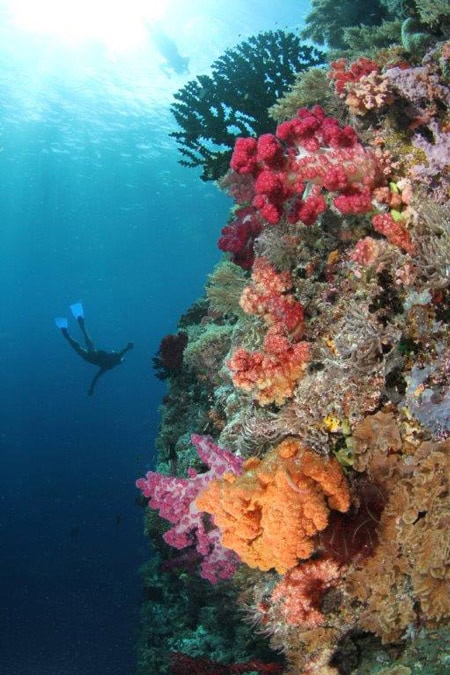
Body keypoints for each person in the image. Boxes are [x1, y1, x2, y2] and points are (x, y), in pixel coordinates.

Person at [55, 303, 133, 396]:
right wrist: (91, 388)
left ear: (118, 361)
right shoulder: (111, 363)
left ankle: (79, 323)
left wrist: (128, 348)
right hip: (90, 358)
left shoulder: (112, 362)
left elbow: (121, 354)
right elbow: (96, 378)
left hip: (92, 357)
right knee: (78, 347)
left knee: (87, 345)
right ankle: (65, 332)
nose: (114, 352)